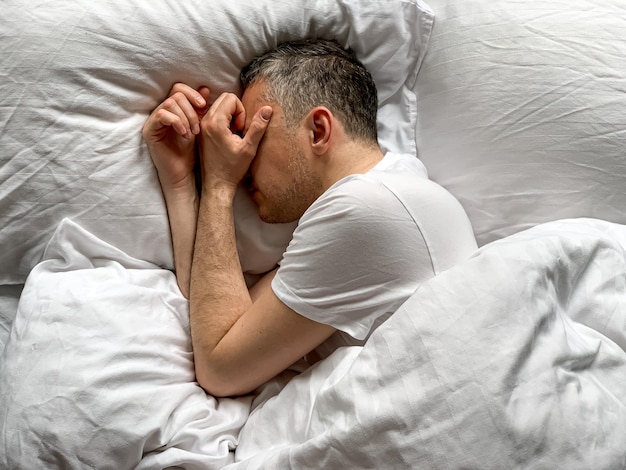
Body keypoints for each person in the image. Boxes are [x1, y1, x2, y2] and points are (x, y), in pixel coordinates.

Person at [142, 39, 477, 397]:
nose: (242, 156)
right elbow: (222, 316)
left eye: (255, 137)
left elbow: (221, 368)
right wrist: (180, 183)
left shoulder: (365, 209)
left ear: (318, 130)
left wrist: (220, 183)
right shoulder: (393, 192)